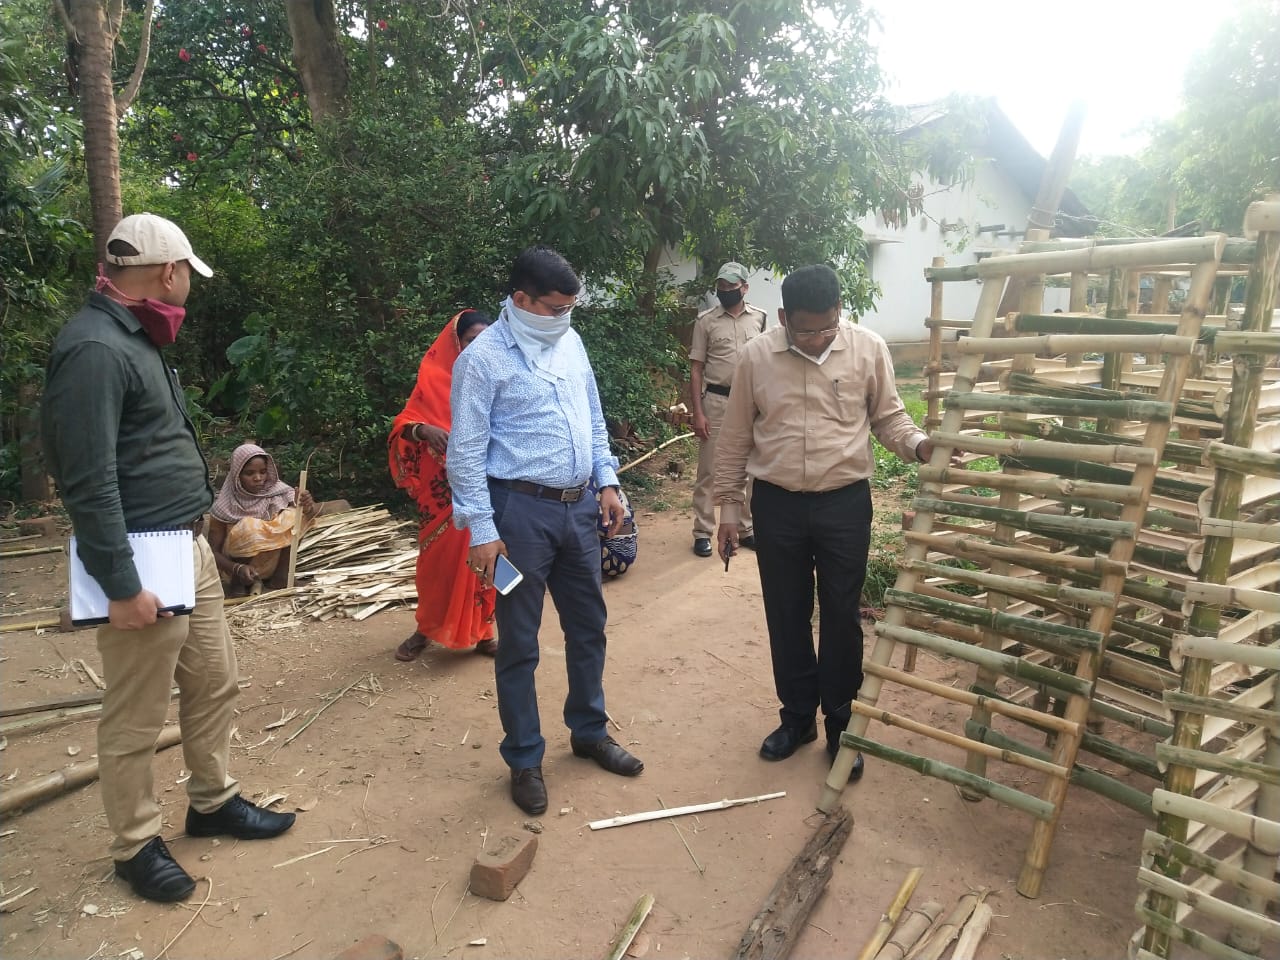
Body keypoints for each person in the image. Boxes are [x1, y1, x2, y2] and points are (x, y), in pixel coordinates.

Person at [40, 214, 295, 903]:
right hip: (140, 556)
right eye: (188, 274)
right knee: (136, 713)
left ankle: (212, 801)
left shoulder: (135, 339)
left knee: (214, 681)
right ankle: (134, 845)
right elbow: (88, 478)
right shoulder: (96, 349)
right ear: (167, 273)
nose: (189, 286)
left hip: (185, 547)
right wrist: (120, 584)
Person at [713, 264, 934, 780]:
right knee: (785, 614)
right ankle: (796, 721)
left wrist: (920, 445)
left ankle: (841, 728)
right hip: (778, 504)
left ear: (840, 314)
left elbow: (889, 417)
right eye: (805, 329)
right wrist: (728, 509)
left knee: (840, 616)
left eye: (827, 328)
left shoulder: (868, 348)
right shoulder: (756, 357)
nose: (816, 339)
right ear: (784, 317)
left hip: (843, 504)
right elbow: (736, 437)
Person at [447, 245, 645, 816]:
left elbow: (593, 417)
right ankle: (525, 757)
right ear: (520, 301)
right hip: (517, 518)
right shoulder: (481, 360)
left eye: (569, 308)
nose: (564, 317)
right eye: (554, 308)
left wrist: (607, 483)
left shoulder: (570, 342)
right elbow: (464, 453)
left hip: (579, 509)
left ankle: (588, 731)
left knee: (589, 626)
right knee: (519, 641)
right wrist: (482, 530)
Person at [388, 310, 498, 661]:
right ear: (454, 344)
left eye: (484, 342)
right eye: (469, 342)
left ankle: (484, 632)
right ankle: (426, 629)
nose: (476, 350)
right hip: (439, 498)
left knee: (486, 561)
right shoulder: (434, 380)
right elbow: (403, 423)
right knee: (435, 564)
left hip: (485, 491)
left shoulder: (499, 380)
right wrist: (423, 430)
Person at [688, 262, 768, 557]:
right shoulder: (706, 321)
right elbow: (696, 370)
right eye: (721, 286)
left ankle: (745, 528)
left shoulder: (759, 319)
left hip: (751, 403)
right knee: (710, 470)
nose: (724, 291)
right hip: (717, 403)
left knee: (750, 469)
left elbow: (766, 364)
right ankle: (702, 531)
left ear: (744, 288)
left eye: (731, 287)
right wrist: (698, 412)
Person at [208, 443, 320, 596]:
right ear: (237, 475)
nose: (258, 478)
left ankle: (281, 576)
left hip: (271, 565)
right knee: (248, 527)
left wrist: (307, 507)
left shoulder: (278, 492)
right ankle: (238, 583)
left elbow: (310, 516)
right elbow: (211, 553)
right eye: (250, 473)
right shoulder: (224, 505)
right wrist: (236, 568)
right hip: (237, 568)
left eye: (263, 472)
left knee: (294, 516)